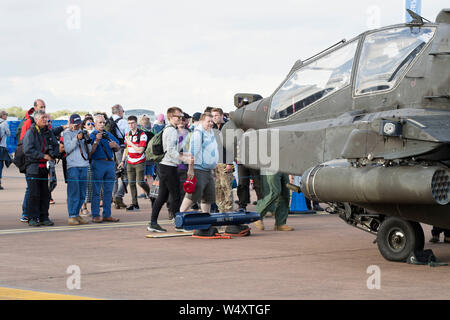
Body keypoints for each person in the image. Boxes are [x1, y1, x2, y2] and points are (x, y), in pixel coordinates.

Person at [147, 107, 192, 232]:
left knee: (163, 196)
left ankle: (153, 222)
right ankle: (178, 224)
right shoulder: (171, 130)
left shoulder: (169, 129)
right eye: (178, 116)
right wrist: (184, 158)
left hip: (165, 165)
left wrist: (183, 157)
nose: (180, 118)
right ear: (171, 117)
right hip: (168, 166)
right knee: (176, 195)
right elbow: (170, 151)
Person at [22, 110, 58, 227]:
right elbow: (27, 150)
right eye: (43, 118)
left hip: (46, 168)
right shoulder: (31, 132)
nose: (46, 120)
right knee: (34, 194)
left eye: (46, 117)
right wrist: (43, 156)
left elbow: (55, 146)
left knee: (45, 193)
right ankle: (32, 218)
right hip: (33, 168)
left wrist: (54, 154)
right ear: (36, 119)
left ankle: (44, 217)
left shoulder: (48, 132)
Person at [179, 112, 218, 216]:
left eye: (211, 121)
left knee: (208, 197)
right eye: (208, 121)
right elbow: (192, 153)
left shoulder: (210, 133)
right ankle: (180, 216)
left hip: (208, 170)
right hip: (198, 169)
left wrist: (214, 170)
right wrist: (191, 169)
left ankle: (206, 219)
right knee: (192, 195)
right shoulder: (198, 133)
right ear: (201, 121)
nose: (211, 123)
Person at [89, 114, 121, 223]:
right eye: (100, 122)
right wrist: (96, 141)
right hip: (98, 163)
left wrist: (115, 146)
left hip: (109, 164)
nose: (102, 124)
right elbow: (90, 152)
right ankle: (95, 214)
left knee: (108, 191)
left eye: (104, 122)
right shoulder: (92, 135)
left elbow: (117, 147)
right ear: (95, 124)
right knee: (96, 191)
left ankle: (107, 214)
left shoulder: (108, 134)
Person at [63, 114, 91, 225]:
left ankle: (77, 214)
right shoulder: (66, 134)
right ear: (70, 123)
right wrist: (76, 138)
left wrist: (87, 139)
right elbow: (67, 148)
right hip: (73, 166)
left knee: (82, 193)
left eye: (78, 123)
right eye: (75, 124)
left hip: (84, 165)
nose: (76, 126)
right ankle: (72, 215)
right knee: (73, 191)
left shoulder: (83, 132)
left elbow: (88, 149)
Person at [118, 115, 150, 211]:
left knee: (140, 182)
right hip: (130, 161)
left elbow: (140, 150)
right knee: (131, 183)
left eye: (132, 123)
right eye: (129, 123)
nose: (131, 125)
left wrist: (131, 143)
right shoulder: (127, 134)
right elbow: (126, 149)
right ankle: (135, 204)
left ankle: (151, 195)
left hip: (140, 161)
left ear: (136, 123)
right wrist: (122, 161)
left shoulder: (142, 134)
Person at [211, 107, 234, 212]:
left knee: (227, 189)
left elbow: (231, 146)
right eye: (212, 116)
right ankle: (221, 212)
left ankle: (229, 213)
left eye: (216, 115)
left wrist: (230, 163)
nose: (214, 118)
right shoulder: (213, 128)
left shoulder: (228, 127)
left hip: (225, 162)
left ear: (221, 115)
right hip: (215, 162)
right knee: (218, 189)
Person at [110, 104, 129, 210]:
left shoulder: (108, 121)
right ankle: (119, 196)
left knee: (114, 176)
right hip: (121, 149)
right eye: (123, 111)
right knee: (127, 175)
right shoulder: (123, 122)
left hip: (110, 150)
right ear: (119, 112)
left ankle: (115, 199)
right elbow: (127, 137)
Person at [80, 117, 95, 216]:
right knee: (84, 186)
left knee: (91, 187)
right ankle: (83, 207)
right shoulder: (82, 134)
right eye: (88, 124)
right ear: (84, 125)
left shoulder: (95, 133)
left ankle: (92, 208)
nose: (91, 125)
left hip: (93, 162)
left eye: (92, 123)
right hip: (84, 162)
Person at [0, 110, 11, 190]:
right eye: (6, 114)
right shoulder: (4, 123)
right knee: (0, 165)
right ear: (2, 115)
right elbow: (8, 133)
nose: (6, 116)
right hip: (1, 146)